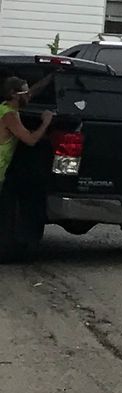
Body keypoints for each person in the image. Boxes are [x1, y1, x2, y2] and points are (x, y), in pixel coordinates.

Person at [0, 74, 56, 261]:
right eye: (25, 93)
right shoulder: (9, 115)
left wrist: (51, 76)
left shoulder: (6, 107)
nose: (29, 95)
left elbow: (32, 91)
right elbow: (30, 140)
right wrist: (46, 122)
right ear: (13, 94)